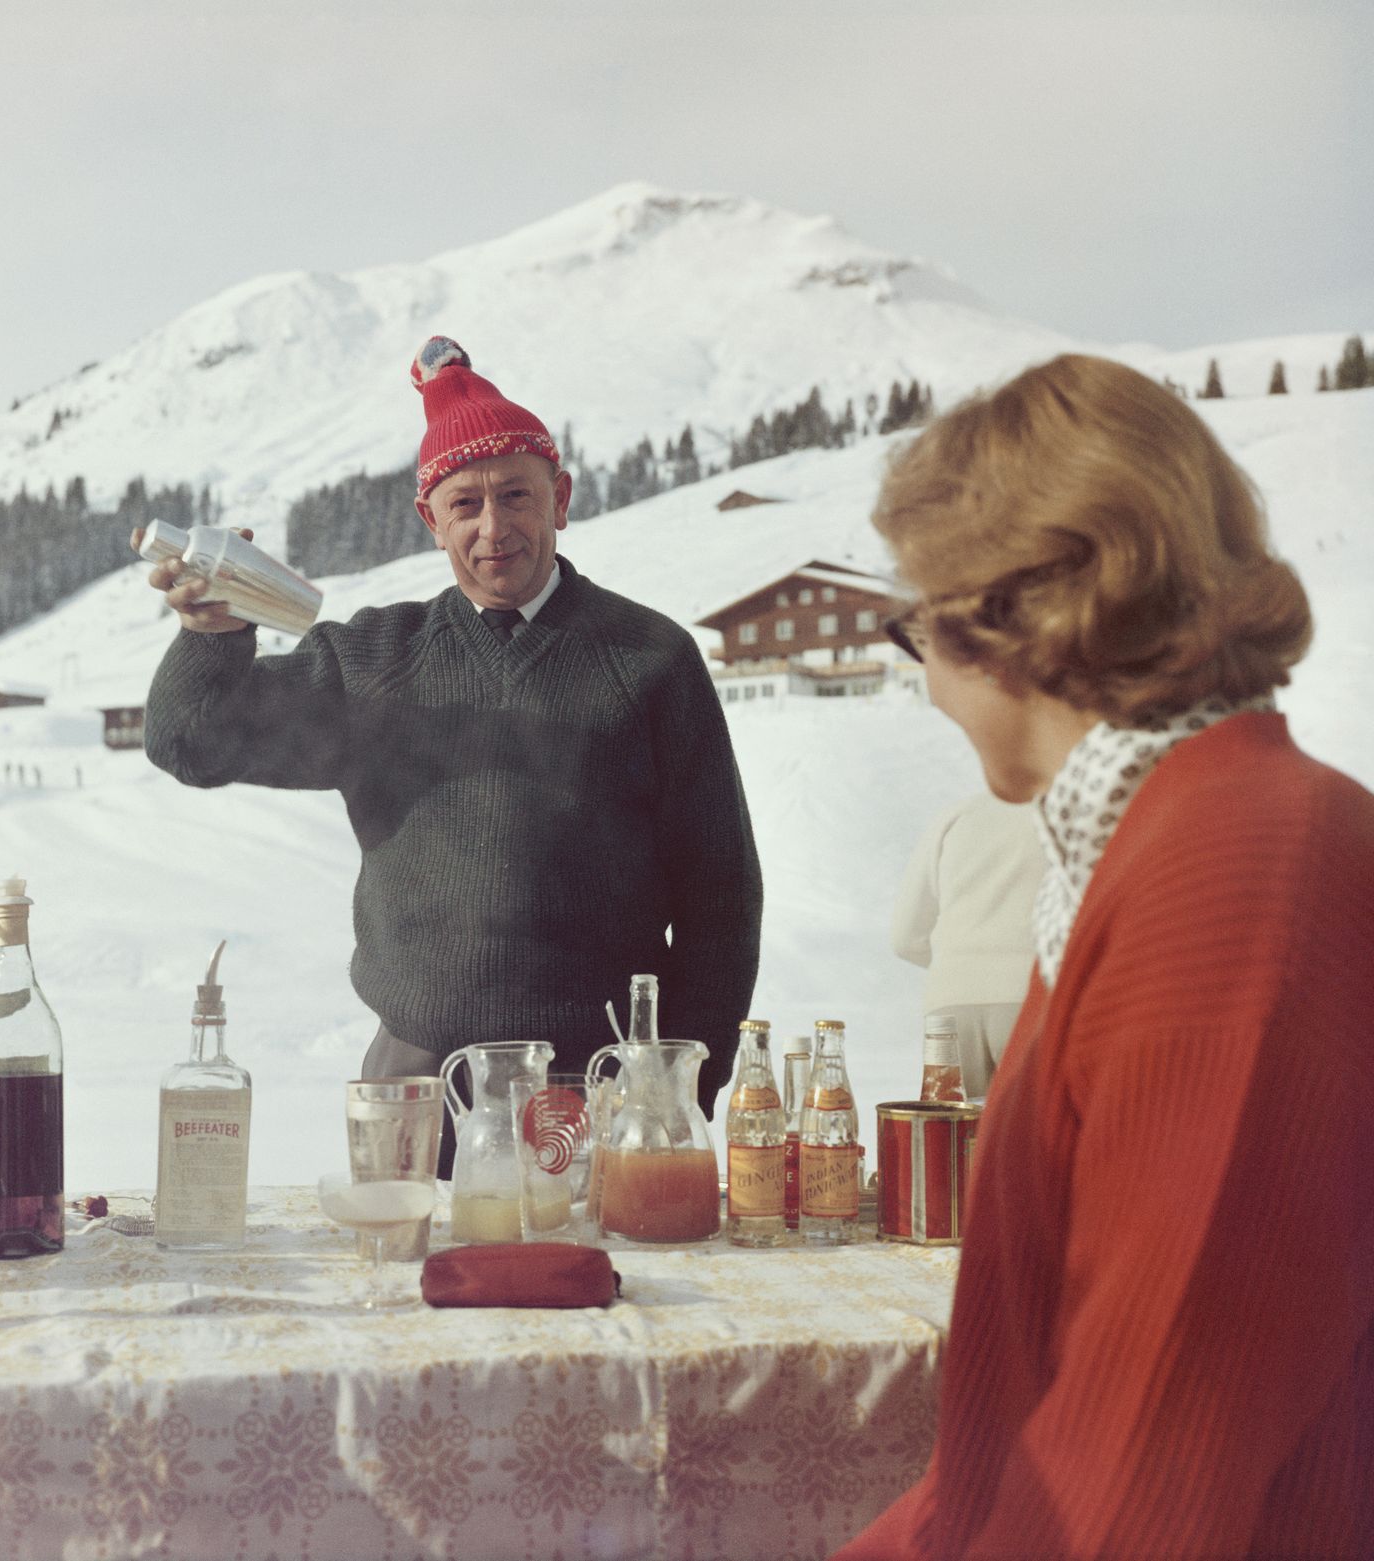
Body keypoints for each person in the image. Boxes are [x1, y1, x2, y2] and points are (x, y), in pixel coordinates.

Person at [837, 354, 1374, 1559]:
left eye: (914, 624)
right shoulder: (1141, 842)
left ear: (1009, 608)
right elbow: (1011, 1451)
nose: (922, 676)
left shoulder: (1240, 868)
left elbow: (1139, 1476)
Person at [141, 336, 762, 1172]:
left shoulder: (648, 659)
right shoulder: (373, 663)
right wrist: (211, 635)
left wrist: (685, 1081)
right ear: (430, 521)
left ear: (563, 498)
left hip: (594, 1079)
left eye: (516, 495)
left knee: (600, 1292)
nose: (494, 527)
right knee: (406, 1289)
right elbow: (190, 741)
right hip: (418, 1077)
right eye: (465, 504)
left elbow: (720, 889)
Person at [889, 790, 1046, 1097]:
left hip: (948, 1004)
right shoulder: (1067, 819)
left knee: (948, 1137)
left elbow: (904, 938)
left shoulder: (954, 817)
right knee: (1036, 1136)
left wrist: (958, 964)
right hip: (1030, 996)